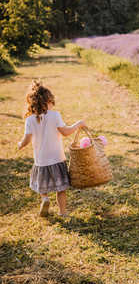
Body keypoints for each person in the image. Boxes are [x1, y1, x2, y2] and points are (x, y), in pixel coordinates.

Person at [18, 80, 85, 217]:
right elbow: (66, 132)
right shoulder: (55, 116)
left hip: (41, 161)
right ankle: (63, 212)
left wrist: (20, 144)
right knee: (61, 189)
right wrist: (78, 124)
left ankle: (45, 199)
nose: (52, 105)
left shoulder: (30, 119)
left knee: (43, 187)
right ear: (46, 102)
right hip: (57, 159)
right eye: (50, 102)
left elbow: (27, 140)